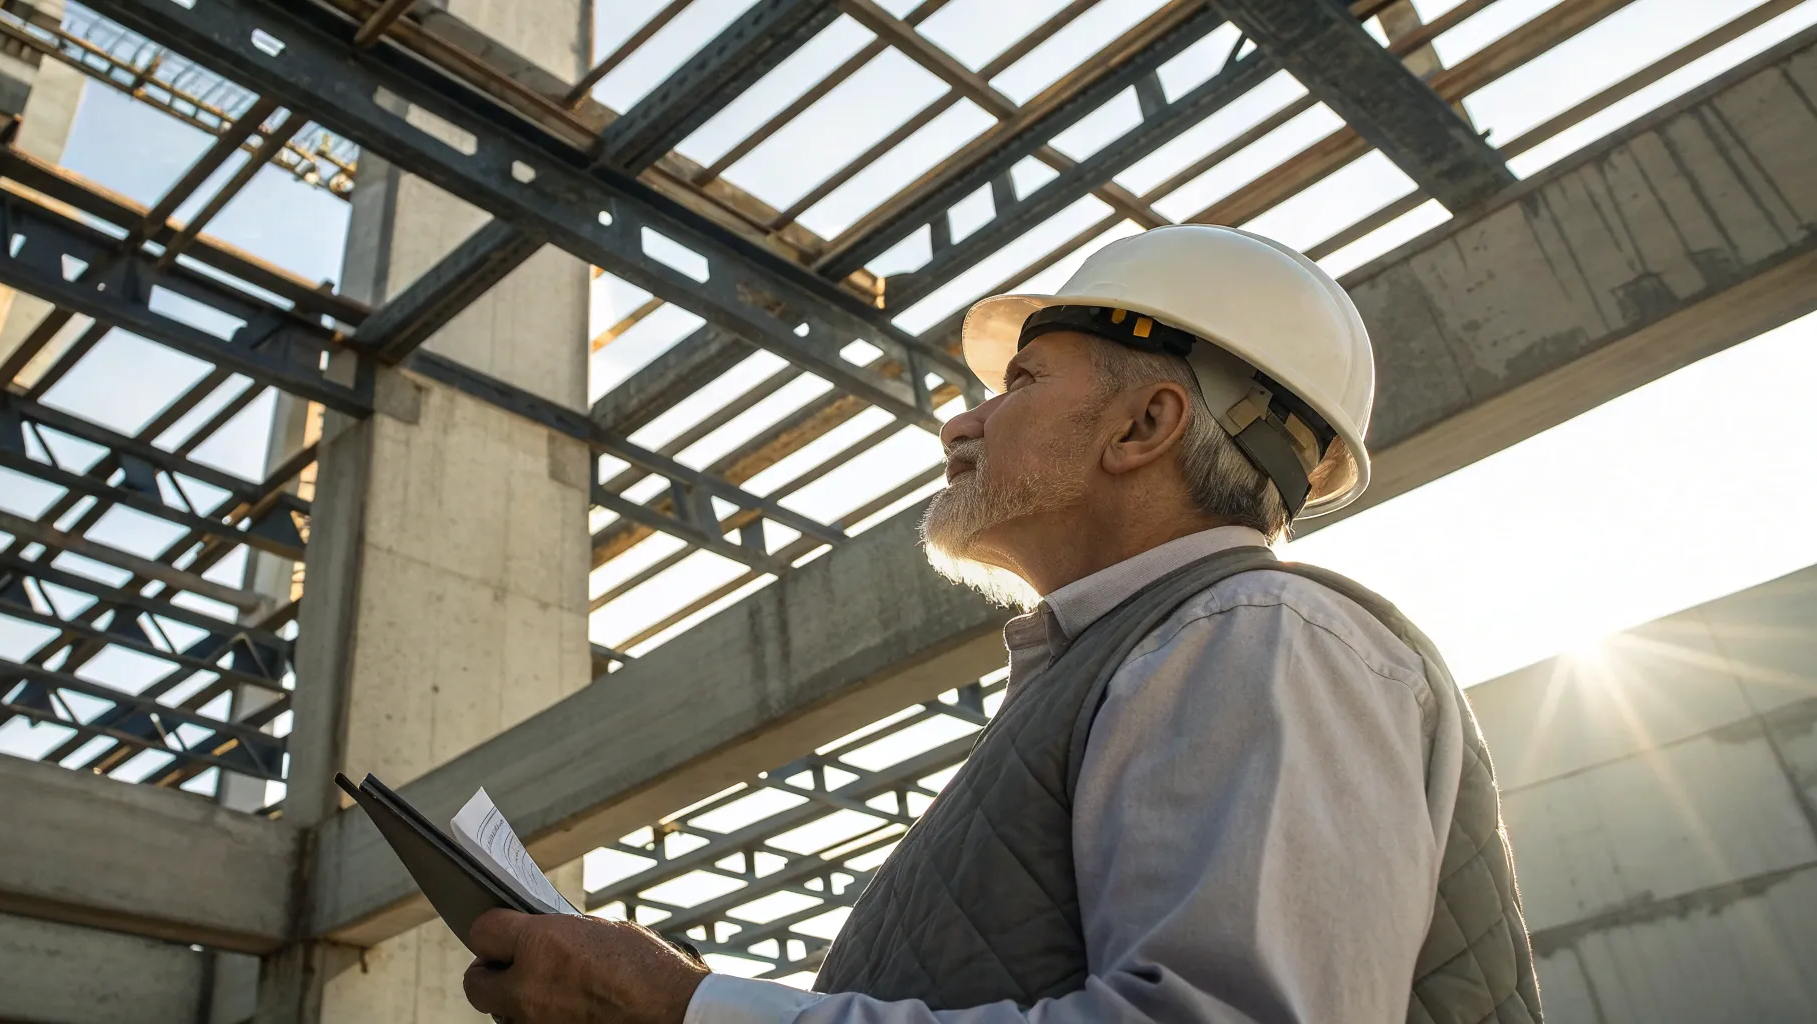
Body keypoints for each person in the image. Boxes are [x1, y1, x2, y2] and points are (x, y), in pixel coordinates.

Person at [460, 226, 1540, 1024]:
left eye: (1019, 380)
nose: (960, 422)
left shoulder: (1257, 634)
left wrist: (684, 1010)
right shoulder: (1148, 665)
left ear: (1143, 424)